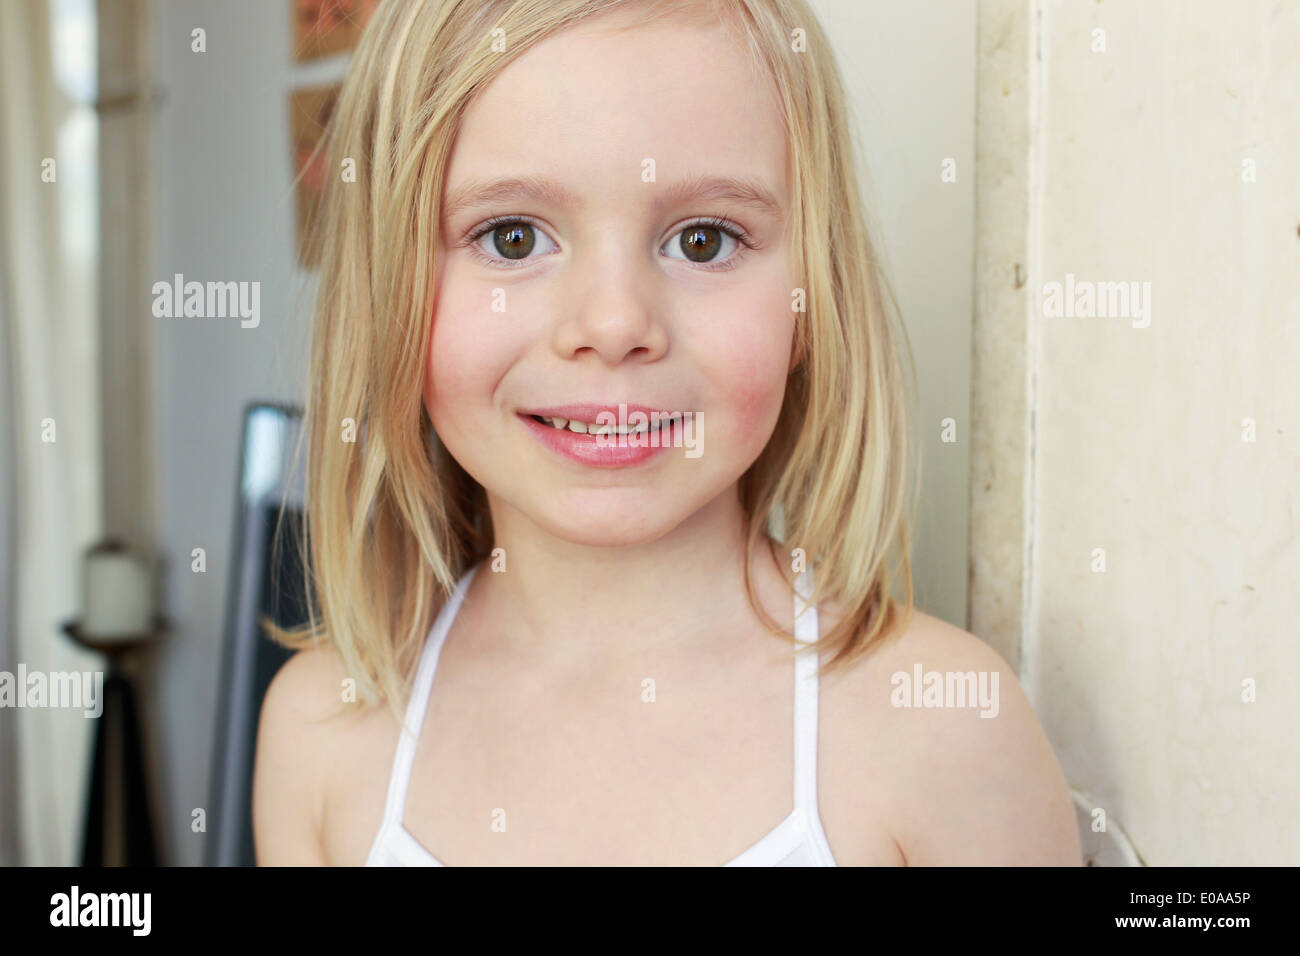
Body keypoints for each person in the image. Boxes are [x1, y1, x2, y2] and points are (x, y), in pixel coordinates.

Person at [252, 0, 1081, 866]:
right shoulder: (321, 734)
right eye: (512, 236)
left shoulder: (938, 725)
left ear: (813, 300)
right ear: (388, 288)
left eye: (702, 240)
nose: (613, 324)